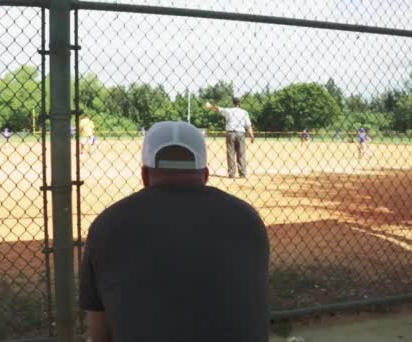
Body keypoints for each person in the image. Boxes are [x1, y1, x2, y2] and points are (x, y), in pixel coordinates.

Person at [80, 121, 270, 342]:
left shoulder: (107, 224)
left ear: (144, 175)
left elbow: (100, 335)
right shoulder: (248, 219)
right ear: (205, 175)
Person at [206, 97, 254, 178]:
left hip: (230, 133)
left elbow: (217, 109)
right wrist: (251, 135)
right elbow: (248, 125)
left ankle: (231, 173)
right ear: (240, 103)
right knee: (241, 154)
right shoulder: (244, 112)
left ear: (233, 103)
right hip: (241, 133)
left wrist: (210, 106)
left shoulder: (228, 110)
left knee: (230, 154)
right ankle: (242, 174)